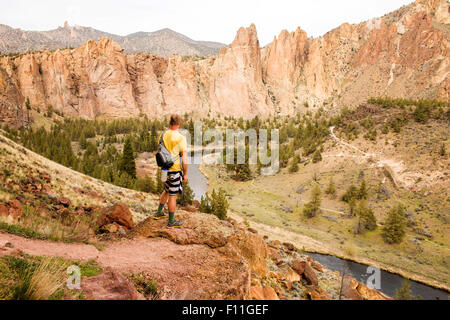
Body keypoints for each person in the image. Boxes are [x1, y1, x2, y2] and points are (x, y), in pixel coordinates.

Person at [154, 114, 188, 228]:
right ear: (180, 124)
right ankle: (171, 221)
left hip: (165, 169)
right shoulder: (181, 138)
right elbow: (185, 159)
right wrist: (185, 174)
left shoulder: (163, 134)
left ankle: (159, 212)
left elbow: (160, 149)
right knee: (173, 196)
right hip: (174, 170)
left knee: (166, 190)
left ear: (170, 123)